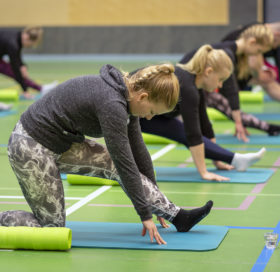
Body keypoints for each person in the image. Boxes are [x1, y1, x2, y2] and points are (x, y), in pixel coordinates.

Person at [0, 63, 214, 245]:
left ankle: (179, 217)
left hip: (62, 143)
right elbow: (125, 162)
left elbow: (139, 151)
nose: (149, 118)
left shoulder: (128, 97)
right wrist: (144, 213)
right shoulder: (112, 104)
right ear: (143, 96)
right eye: (152, 112)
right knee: (52, 228)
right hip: (29, 146)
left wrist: (157, 203)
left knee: (114, 165)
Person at [140, 45, 266, 182]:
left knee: (180, 130)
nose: (220, 85)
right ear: (208, 71)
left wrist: (217, 160)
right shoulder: (188, 87)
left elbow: (205, 125)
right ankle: (236, 159)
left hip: (152, 116)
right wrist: (204, 172)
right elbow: (193, 135)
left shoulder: (194, 84)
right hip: (134, 113)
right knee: (184, 132)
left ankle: (236, 159)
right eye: (220, 79)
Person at [181, 24, 280, 139]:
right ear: (252, 42)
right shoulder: (228, 52)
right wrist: (238, 122)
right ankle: (268, 128)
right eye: (258, 51)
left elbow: (230, 91)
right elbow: (230, 90)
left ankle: (268, 128)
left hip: (193, 84)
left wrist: (238, 120)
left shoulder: (234, 53)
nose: (256, 55)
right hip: (186, 83)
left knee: (212, 112)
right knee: (205, 117)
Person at [222, 21, 280, 101]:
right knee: (267, 81)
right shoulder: (259, 32)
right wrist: (261, 74)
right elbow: (254, 64)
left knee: (268, 82)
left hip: (236, 71)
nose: (275, 47)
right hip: (227, 71)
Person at [0, 26, 58, 99]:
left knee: (12, 70)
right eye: (31, 44)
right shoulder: (13, 44)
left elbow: (17, 55)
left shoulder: (17, 36)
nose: (29, 46)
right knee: (11, 71)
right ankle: (41, 88)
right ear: (27, 38)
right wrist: (25, 90)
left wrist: (22, 65)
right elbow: (15, 70)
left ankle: (41, 88)